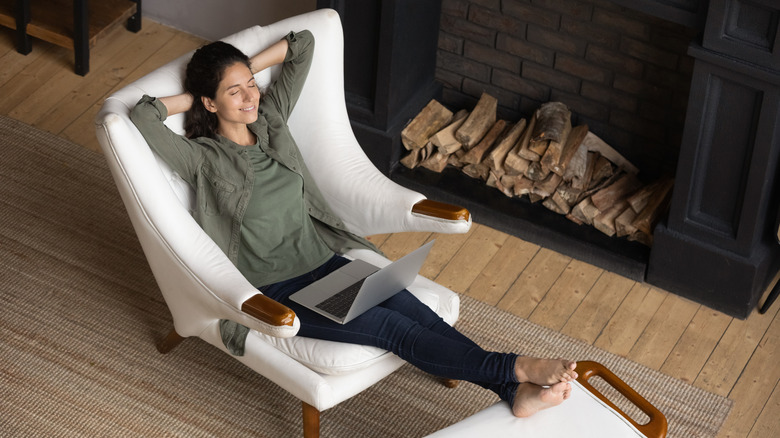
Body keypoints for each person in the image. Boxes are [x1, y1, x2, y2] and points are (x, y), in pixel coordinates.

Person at [130, 29, 577, 418]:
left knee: (414, 311)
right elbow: (142, 115)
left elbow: (303, 45)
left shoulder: (270, 119)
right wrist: (198, 99)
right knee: (392, 329)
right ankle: (515, 369)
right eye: (234, 92)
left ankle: (512, 391)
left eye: (251, 84)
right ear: (209, 102)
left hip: (326, 261)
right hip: (278, 289)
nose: (251, 96)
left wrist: (242, 72)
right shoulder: (202, 158)